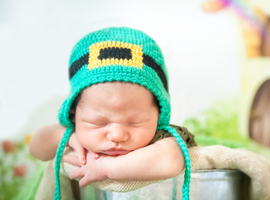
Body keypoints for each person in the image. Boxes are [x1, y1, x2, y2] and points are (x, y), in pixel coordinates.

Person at [29, 27, 197, 200]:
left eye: (134, 122)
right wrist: (66, 136)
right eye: (98, 122)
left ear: (159, 113)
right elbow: (36, 148)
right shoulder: (76, 135)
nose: (117, 135)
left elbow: (170, 160)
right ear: (73, 112)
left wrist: (106, 168)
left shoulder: (161, 138)